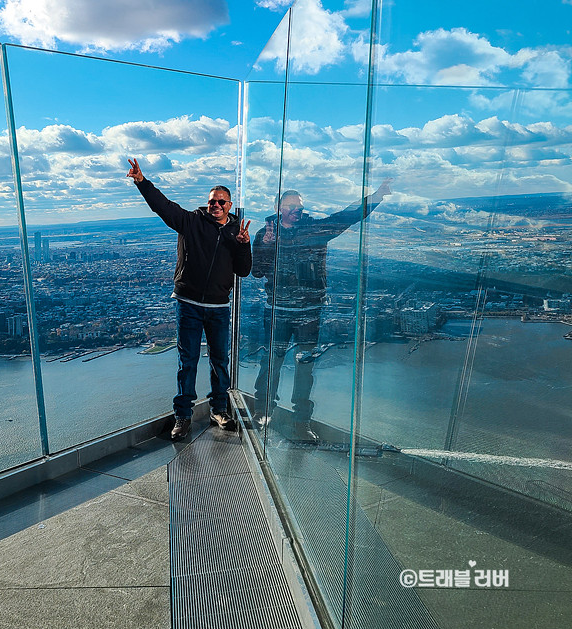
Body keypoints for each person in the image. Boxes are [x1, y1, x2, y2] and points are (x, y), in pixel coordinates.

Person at [251, 182, 391, 441]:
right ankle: (263, 413)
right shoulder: (265, 233)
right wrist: (266, 245)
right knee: (271, 364)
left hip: (310, 312)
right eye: (292, 207)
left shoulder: (315, 229)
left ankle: (301, 422)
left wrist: (377, 196)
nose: (297, 211)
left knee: (305, 369)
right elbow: (256, 271)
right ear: (278, 208)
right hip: (277, 311)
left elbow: (346, 217)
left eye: (300, 208)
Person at [127, 158, 251, 440]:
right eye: (212, 201)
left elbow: (243, 271)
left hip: (219, 307)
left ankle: (219, 410)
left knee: (220, 361)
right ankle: (182, 416)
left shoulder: (238, 232)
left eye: (221, 201)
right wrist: (142, 182)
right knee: (188, 361)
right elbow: (163, 206)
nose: (216, 205)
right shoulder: (191, 222)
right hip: (189, 304)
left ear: (229, 206)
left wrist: (244, 246)